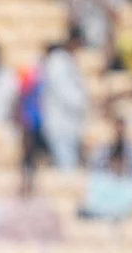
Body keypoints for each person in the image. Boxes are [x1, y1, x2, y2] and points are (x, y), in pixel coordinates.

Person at [42, 27, 88, 170]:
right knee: (66, 168)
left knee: (71, 165)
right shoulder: (57, 62)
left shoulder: (68, 61)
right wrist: (85, 102)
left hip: (71, 124)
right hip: (60, 123)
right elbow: (65, 93)